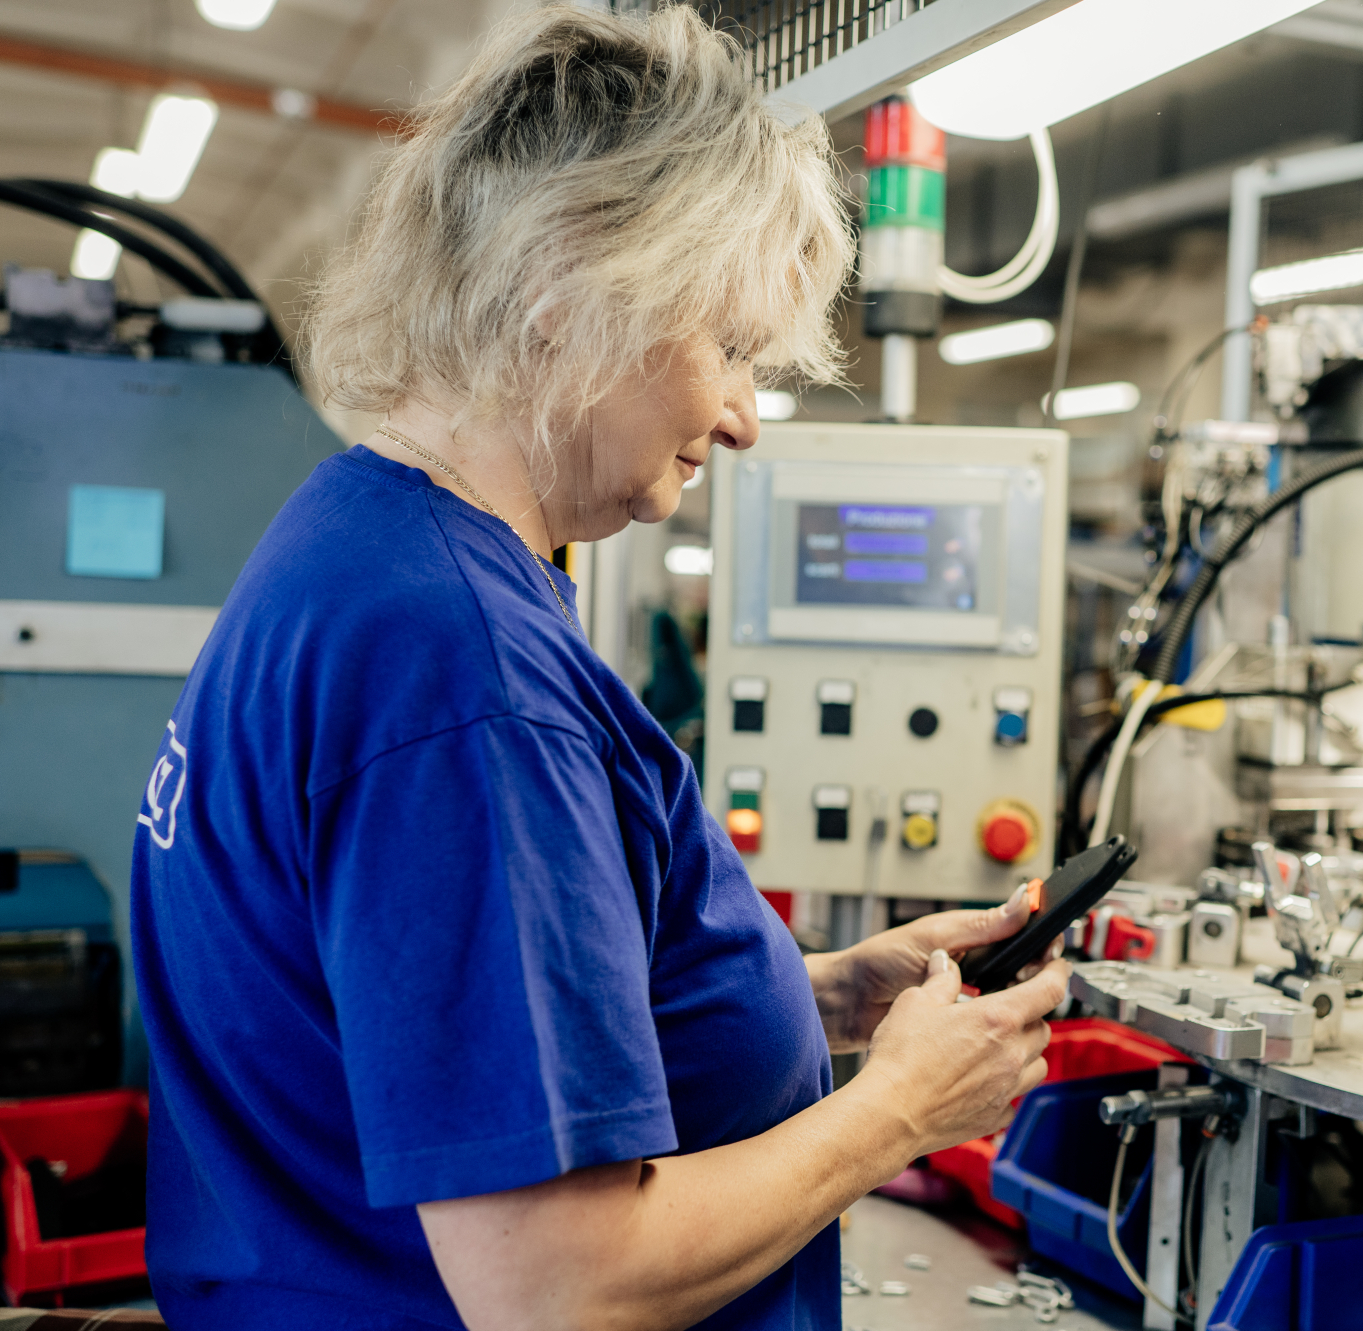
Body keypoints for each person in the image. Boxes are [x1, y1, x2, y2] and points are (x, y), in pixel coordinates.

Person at [128, 8, 1069, 1331]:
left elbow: (422, 1022)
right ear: (572, 293)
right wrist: (901, 1110)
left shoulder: (355, 543)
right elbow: (558, 1287)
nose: (742, 417)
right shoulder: (463, 674)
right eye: (728, 346)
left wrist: (814, 998)